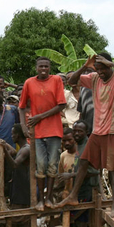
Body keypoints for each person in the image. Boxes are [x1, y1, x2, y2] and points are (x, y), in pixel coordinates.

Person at [59, 52, 114, 218]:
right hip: (97, 130)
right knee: (84, 161)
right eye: (98, 69)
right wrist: (85, 66)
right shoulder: (94, 78)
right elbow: (72, 81)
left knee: (113, 169)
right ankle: (73, 196)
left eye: (103, 69)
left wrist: (113, 64)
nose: (100, 72)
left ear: (109, 66)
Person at [18, 56, 67, 210]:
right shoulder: (29, 82)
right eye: (41, 66)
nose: (44, 69)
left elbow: (61, 105)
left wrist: (40, 116)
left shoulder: (56, 80)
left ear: (50, 67)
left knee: (53, 165)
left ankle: (49, 197)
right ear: (36, 68)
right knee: (41, 165)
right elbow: (21, 106)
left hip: (54, 130)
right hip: (37, 132)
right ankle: (40, 199)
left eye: (46, 66)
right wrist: (24, 126)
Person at [6, 124, 33, 227]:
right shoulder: (21, 149)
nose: (12, 136)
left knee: (22, 221)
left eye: (13, 134)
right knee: (20, 220)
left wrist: (4, 152)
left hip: (23, 190)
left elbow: (15, 165)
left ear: (17, 135)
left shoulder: (26, 149)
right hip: (19, 188)